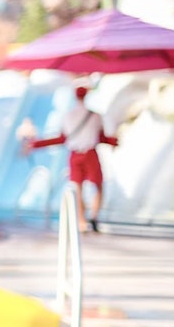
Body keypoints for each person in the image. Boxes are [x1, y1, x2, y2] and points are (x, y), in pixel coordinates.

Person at [23, 85, 118, 232]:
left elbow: (62, 139)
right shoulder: (95, 116)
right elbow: (101, 137)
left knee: (77, 189)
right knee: (98, 186)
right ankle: (93, 215)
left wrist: (37, 144)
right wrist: (114, 141)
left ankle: (81, 221)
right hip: (90, 153)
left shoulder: (68, 115)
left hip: (75, 155)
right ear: (86, 96)